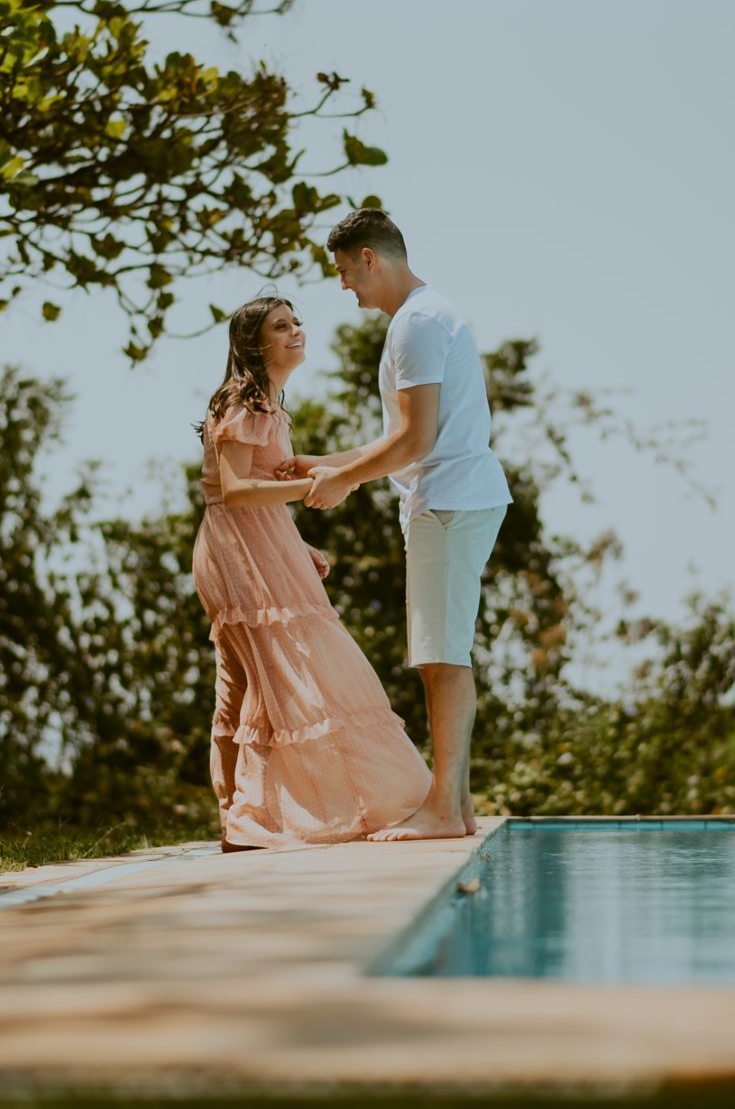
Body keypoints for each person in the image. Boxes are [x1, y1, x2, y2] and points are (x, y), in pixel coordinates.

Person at [280, 209, 511, 841]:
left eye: (344, 272)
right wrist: (327, 464)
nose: (343, 287)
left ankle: (442, 807)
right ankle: (456, 808)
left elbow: (414, 440)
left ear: (369, 259)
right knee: (442, 652)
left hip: (449, 501)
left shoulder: (416, 324)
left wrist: (345, 480)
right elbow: (405, 438)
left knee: (441, 655)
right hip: (451, 497)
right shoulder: (424, 317)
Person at [190, 295, 432, 849]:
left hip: (263, 542)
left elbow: (256, 491)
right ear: (256, 344)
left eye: (296, 322)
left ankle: (240, 815)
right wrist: (316, 484)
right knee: (273, 673)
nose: (296, 331)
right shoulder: (243, 402)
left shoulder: (270, 404)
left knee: (252, 676)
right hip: (236, 548)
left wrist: (296, 543)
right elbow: (234, 491)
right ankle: (249, 815)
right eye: (281, 326)